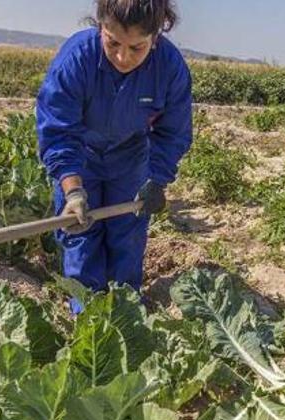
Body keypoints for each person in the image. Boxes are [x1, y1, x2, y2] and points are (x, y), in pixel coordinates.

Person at [36, 0, 193, 313]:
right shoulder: (77, 59)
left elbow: (172, 133)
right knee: (80, 234)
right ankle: (87, 316)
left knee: (127, 236)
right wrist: (74, 189)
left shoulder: (170, 68)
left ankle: (126, 311)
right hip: (81, 157)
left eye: (137, 48)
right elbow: (59, 130)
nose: (123, 57)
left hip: (131, 158)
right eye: (113, 43)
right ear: (100, 28)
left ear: (156, 37)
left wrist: (156, 181)